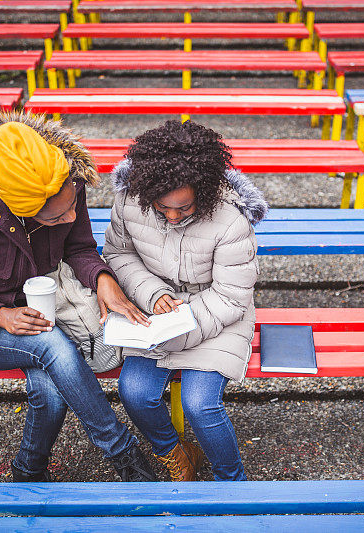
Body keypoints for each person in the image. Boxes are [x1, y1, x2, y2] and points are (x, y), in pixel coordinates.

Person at [0, 111, 156, 483]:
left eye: (73, 204)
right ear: (18, 210)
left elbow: (80, 248)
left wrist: (102, 276)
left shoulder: (65, 183)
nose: (71, 215)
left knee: (52, 392)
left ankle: (28, 471)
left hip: (44, 311)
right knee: (52, 347)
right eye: (57, 218)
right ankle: (124, 454)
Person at [103, 120, 268, 482]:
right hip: (155, 309)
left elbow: (230, 296)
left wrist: (179, 328)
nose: (173, 216)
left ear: (205, 192)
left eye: (185, 207)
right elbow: (118, 254)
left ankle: (231, 479)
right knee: (134, 392)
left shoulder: (230, 218)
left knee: (201, 404)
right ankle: (176, 453)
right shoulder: (131, 197)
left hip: (217, 314)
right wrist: (153, 293)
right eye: (163, 208)